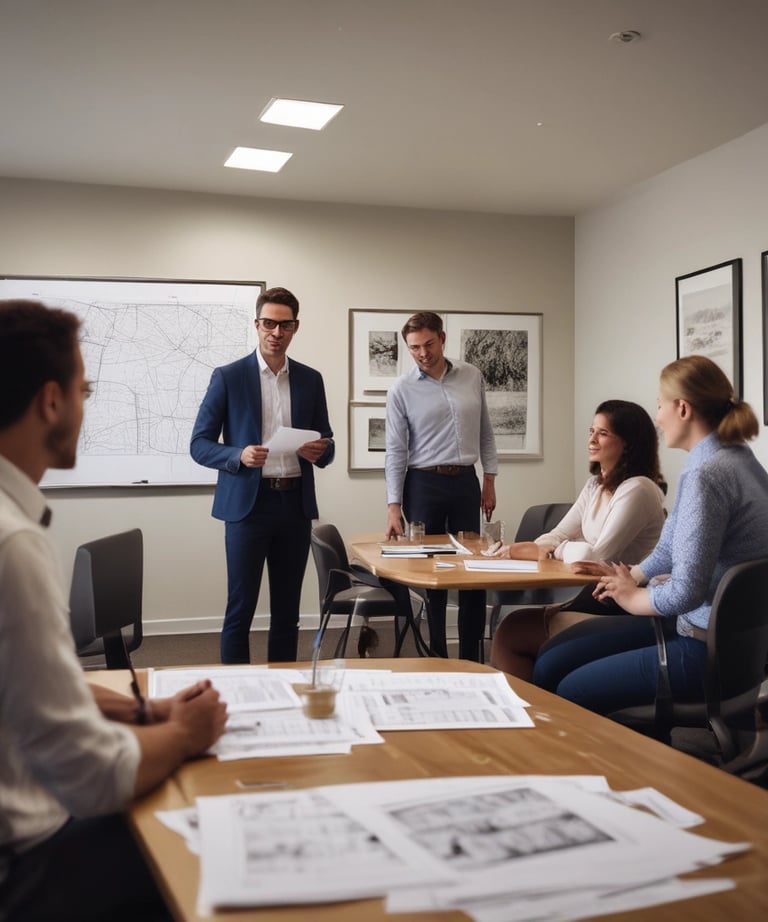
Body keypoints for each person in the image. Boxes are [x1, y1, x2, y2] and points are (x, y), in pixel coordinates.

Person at [0, 299, 227, 922]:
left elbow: (30, 683)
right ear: (51, 401)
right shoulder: (11, 545)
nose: (85, 404)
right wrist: (183, 733)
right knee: (207, 847)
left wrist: (142, 709)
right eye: (85, 388)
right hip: (23, 867)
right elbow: (91, 777)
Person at [532, 355, 768, 715]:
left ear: (683, 409)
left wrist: (631, 598)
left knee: (567, 690)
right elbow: (670, 547)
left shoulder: (707, 475)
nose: (657, 417)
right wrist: (630, 576)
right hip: (731, 641)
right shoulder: (734, 458)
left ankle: (618, 768)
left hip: (704, 648)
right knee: (550, 660)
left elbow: (686, 590)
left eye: (660, 405)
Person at [191, 286, 334, 664]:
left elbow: (328, 446)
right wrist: (238, 454)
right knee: (240, 610)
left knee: (287, 613)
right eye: (268, 323)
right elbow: (199, 444)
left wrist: (319, 450)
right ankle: (236, 696)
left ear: (295, 328)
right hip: (247, 509)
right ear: (257, 325)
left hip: (294, 505)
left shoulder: (310, 379)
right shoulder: (228, 377)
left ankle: (282, 690)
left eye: (284, 325)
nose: (276, 332)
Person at [489, 400, 667, 679]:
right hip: (594, 594)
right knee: (510, 629)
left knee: (512, 632)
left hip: (623, 603)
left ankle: (538, 715)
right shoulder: (595, 485)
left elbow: (593, 558)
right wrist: (542, 547)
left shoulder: (639, 489)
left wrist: (550, 550)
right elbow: (559, 534)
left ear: (628, 443)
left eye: (603, 433)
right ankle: (535, 713)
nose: (592, 440)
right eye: (591, 431)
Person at [384, 311, 497, 661]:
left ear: (442, 339)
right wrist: (393, 505)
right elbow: (395, 450)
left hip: (465, 481)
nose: (422, 353)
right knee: (432, 573)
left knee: (473, 572)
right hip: (422, 485)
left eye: (428, 344)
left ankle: (471, 655)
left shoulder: (471, 375)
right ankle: (437, 656)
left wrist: (489, 478)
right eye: (414, 347)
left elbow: (485, 431)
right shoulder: (401, 390)